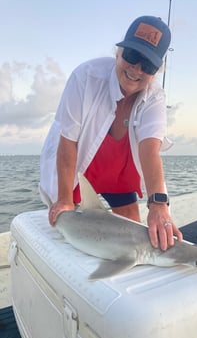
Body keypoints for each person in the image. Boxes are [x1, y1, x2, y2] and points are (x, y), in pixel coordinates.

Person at [40, 15, 183, 251]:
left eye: (147, 65)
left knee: (133, 239)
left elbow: (150, 150)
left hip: (120, 169)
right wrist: (65, 199)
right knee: (71, 232)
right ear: (118, 52)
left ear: (156, 71)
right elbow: (68, 142)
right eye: (132, 56)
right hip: (79, 163)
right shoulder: (85, 77)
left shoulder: (156, 96)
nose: (136, 69)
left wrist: (159, 206)